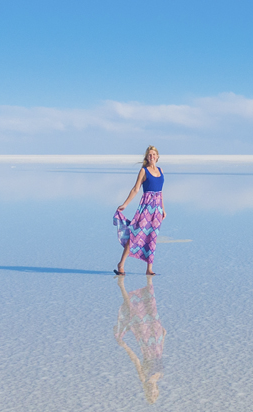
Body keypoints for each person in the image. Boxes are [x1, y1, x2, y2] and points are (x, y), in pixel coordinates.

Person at [114, 145, 166, 275]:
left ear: (158, 157)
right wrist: (125, 204)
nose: (152, 157)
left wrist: (163, 209)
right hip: (146, 207)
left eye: (154, 154)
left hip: (157, 210)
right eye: (150, 155)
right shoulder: (144, 171)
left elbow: (161, 192)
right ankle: (121, 264)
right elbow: (135, 189)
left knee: (153, 237)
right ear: (147, 157)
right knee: (135, 235)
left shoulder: (161, 170)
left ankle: (149, 269)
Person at [115, 275, 166, 403]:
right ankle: (149, 279)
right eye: (155, 395)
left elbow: (136, 360)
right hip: (157, 338)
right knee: (152, 307)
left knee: (133, 312)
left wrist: (125, 346)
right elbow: (160, 355)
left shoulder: (144, 378)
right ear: (158, 392)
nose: (153, 392)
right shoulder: (160, 376)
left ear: (147, 392)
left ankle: (121, 285)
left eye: (150, 395)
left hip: (145, 341)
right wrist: (163, 336)